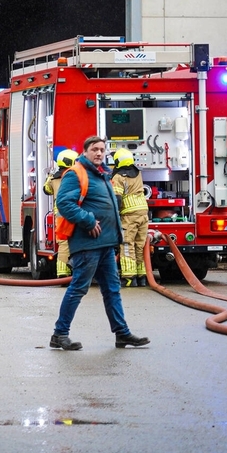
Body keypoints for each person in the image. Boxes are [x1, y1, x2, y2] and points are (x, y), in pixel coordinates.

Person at [50, 136, 148, 351]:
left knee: (112, 290)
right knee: (78, 288)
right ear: (85, 152)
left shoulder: (103, 174)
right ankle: (60, 334)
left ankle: (122, 334)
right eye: (94, 149)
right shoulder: (76, 174)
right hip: (87, 244)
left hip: (105, 244)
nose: (99, 153)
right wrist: (87, 220)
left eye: (102, 150)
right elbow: (64, 203)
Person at [111, 148, 149, 287]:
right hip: (143, 212)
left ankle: (128, 277)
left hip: (129, 214)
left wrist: (113, 215)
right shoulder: (137, 173)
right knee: (140, 245)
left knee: (127, 244)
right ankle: (142, 277)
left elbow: (117, 199)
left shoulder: (118, 177)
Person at [42, 149, 79, 278]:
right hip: (75, 212)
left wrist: (50, 177)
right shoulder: (75, 175)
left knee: (63, 244)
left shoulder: (54, 178)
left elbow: (46, 190)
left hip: (61, 215)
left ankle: (63, 274)